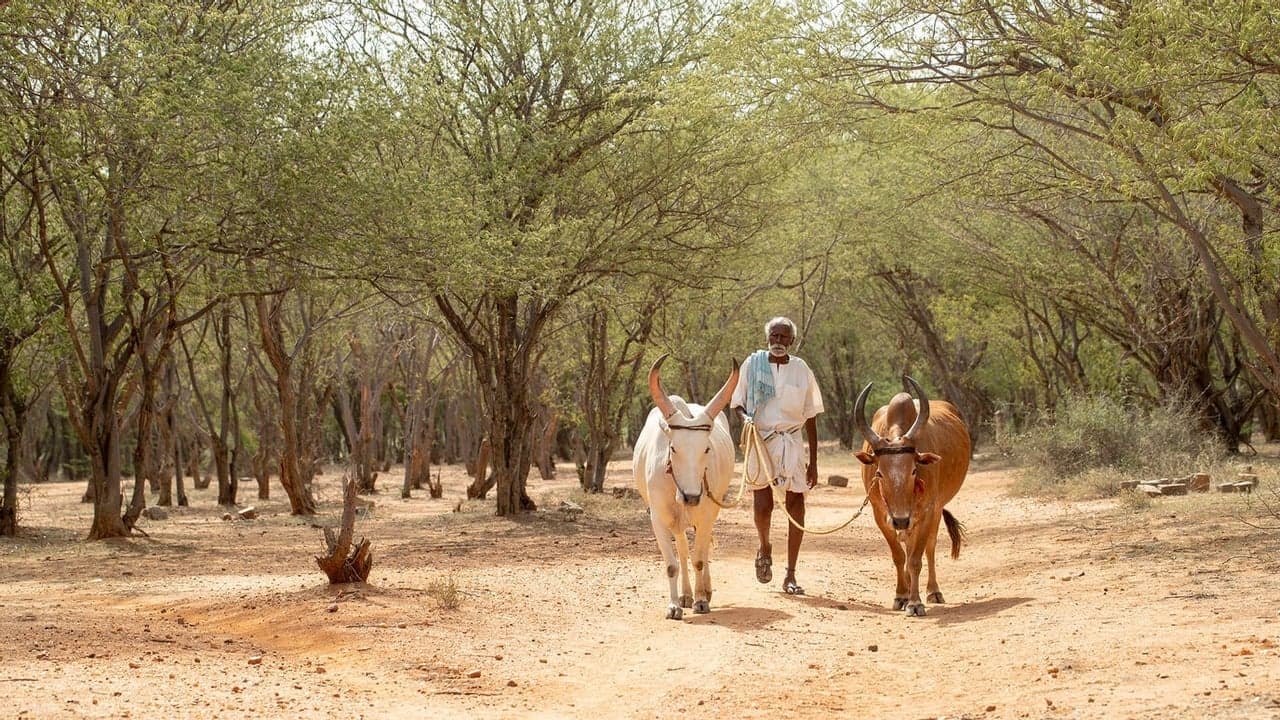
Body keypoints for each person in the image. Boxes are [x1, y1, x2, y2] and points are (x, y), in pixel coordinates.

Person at [731, 316, 824, 595]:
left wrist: (814, 462)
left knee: (797, 506)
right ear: (767, 338)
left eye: (784, 337)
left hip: (792, 443)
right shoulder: (753, 364)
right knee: (763, 505)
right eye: (774, 336)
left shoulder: (801, 369)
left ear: (792, 341)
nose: (778, 342)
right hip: (760, 441)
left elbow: (810, 416)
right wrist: (745, 418)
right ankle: (765, 546)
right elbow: (738, 403)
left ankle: (791, 574)